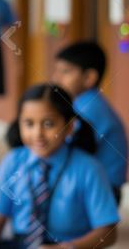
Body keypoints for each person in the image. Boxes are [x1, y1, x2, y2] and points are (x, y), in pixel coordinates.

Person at [0, 84, 119, 248]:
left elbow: (108, 231)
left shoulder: (90, 169)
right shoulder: (12, 161)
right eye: (29, 124)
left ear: (69, 127)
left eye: (48, 124)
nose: (37, 134)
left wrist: (66, 248)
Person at [53, 41, 127, 202]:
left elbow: (64, 150)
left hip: (105, 190)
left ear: (89, 77)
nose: (56, 78)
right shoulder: (84, 103)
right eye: (56, 72)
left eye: (65, 72)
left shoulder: (90, 108)